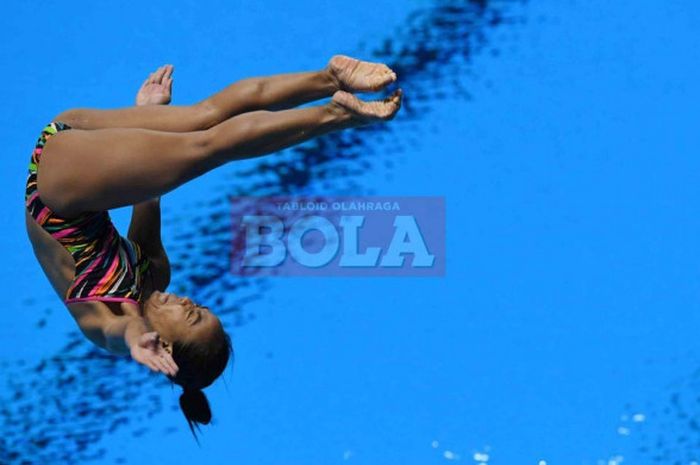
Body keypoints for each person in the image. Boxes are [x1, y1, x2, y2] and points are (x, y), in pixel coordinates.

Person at [23, 56, 402, 436]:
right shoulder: (156, 273)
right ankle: (330, 77)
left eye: (192, 317)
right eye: (200, 308)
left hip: (57, 183)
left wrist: (138, 342)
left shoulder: (111, 323)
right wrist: (147, 117)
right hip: (72, 145)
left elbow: (120, 334)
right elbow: (149, 191)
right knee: (206, 118)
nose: (189, 302)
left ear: (164, 348)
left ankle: (338, 115)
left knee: (208, 145)